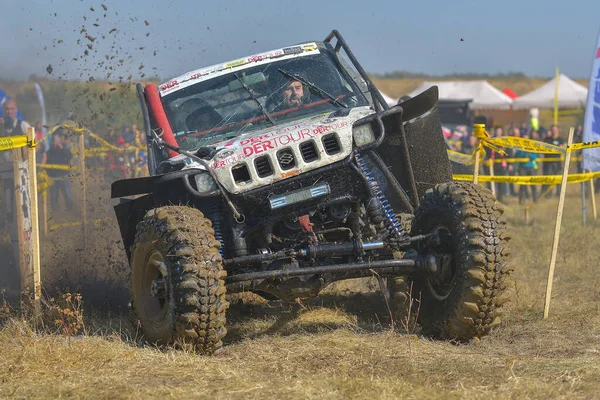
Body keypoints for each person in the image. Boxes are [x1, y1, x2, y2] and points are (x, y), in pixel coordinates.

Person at [46, 130, 74, 211]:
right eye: (55, 141)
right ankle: (55, 211)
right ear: (52, 142)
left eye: (57, 141)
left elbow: (69, 156)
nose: (56, 142)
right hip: (53, 176)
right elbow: (48, 162)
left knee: (67, 193)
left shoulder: (64, 149)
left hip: (63, 175)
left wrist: (62, 148)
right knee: (54, 195)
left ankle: (70, 209)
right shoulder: (49, 152)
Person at [542, 125, 565, 197]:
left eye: (555, 129)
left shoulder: (560, 139)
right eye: (553, 130)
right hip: (549, 163)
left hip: (558, 162)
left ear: (558, 130)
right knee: (549, 179)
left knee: (558, 179)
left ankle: (559, 194)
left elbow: (563, 150)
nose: (554, 131)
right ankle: (548, 194)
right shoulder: (547, 140)